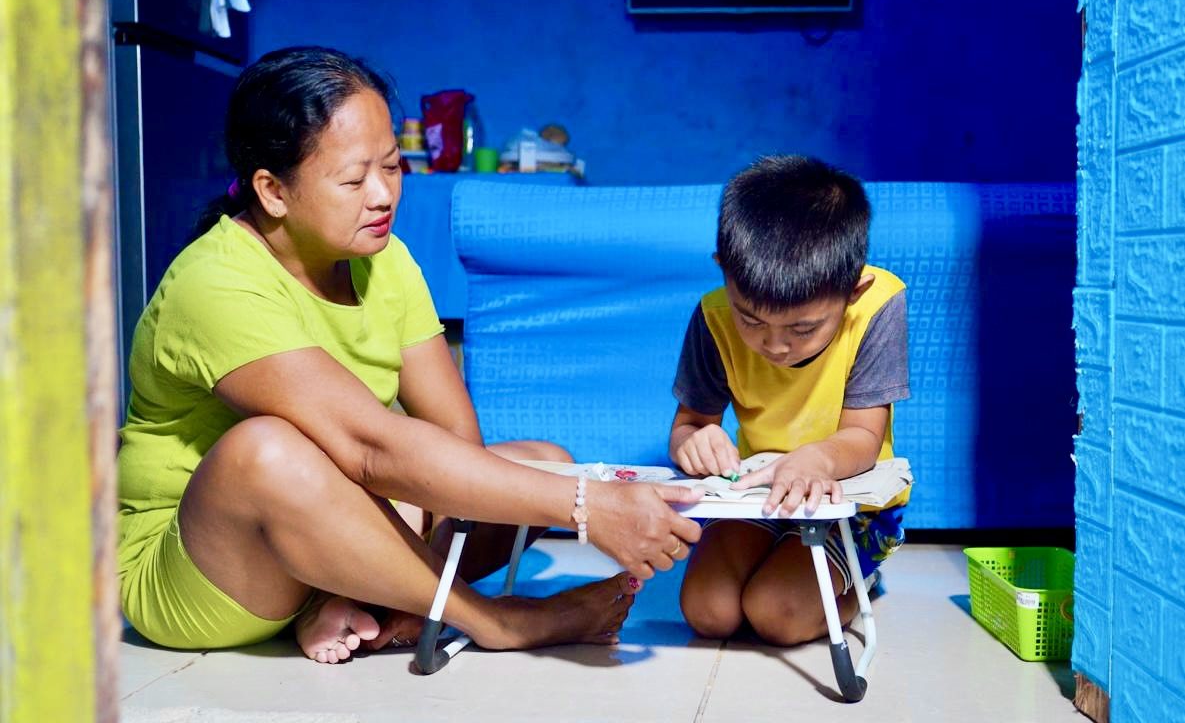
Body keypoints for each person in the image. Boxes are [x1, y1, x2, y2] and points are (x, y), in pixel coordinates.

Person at [117, 45, 703, 664]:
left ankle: (372, 606)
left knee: (541, 462)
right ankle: (494, 620)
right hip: (206, 568)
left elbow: (457, 438)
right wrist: (587, 506)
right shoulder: (215, 283)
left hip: (325, 537)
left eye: (393, 166)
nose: (382, 195)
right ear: (273, 191)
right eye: (353, 180)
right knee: (266, 450)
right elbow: (369, 449)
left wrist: (572, 490)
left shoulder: (384, 259)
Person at [668, 155, 910, 646]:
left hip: (849, 502)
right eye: (751, 320)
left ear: (853, 290)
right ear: (724, 271)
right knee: (708, 611)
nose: (775, 346)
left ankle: (862, 579)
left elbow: (864, 436)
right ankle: (789, 562)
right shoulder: (714, 317)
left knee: (777, 614)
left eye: (802, 328)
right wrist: (693, 441)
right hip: (757, 495)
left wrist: (815, 461)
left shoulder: (878, 304)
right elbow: (688, 425)